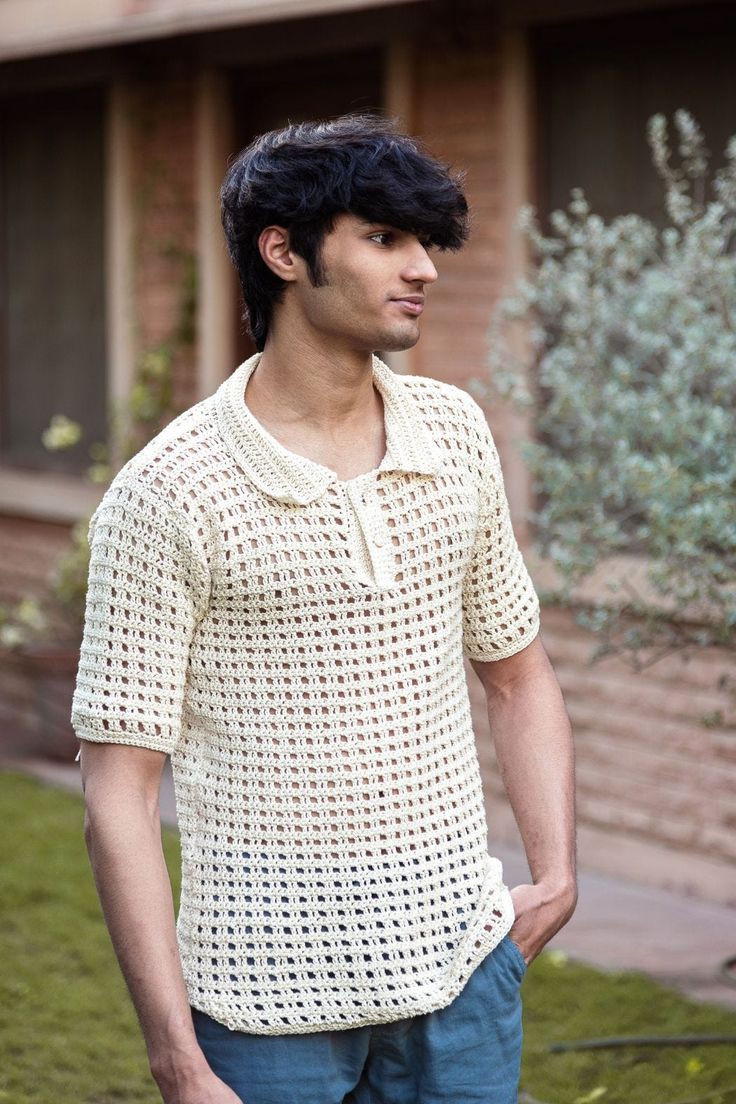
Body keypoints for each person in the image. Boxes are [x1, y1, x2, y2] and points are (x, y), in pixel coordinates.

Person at [72, 113, 577, 1104]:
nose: (423, 268)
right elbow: (117, 793)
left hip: (463, 974)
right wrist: (177, 1058)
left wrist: (553, 878)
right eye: (385, 238)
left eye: (424, 241)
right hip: (262, 1007)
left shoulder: (454, 433)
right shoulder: (169, 492)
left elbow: (516, 673)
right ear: (284, 253)